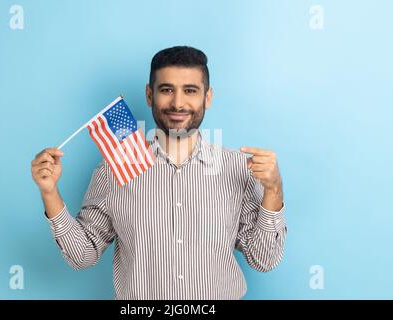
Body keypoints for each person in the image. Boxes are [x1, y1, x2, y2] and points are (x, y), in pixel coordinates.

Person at [31, 46, 286, 300]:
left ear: (207, 97)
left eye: (190, 90)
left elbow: (264, 259)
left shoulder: (237, 168)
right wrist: (50, 193)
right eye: (166, 90)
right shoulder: (115, 168)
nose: (177, 103)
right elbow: (82, 255)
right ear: (149, 95)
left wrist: (273, 191)